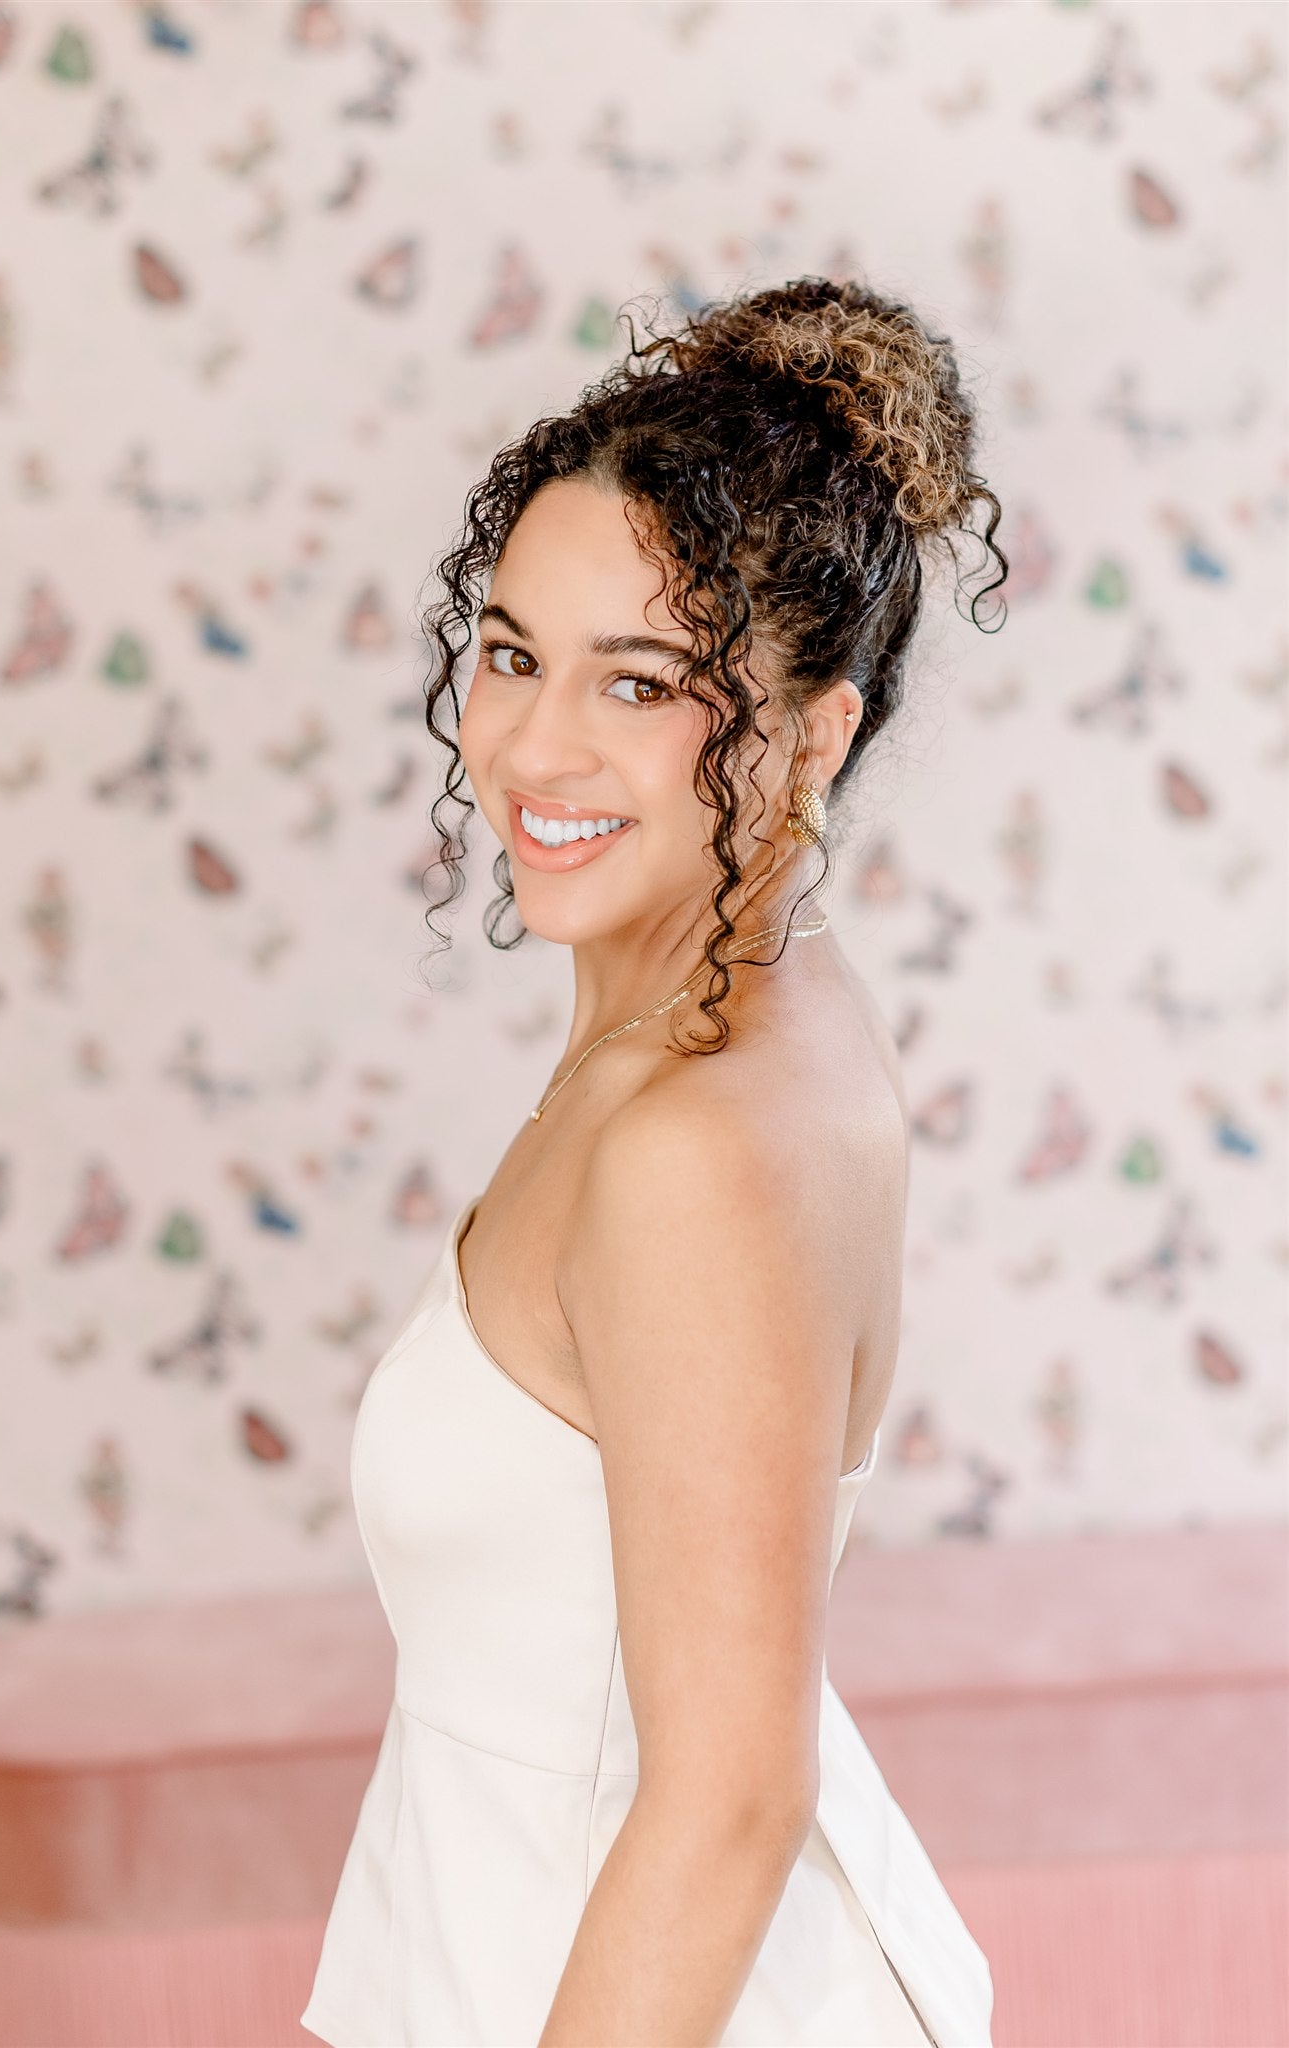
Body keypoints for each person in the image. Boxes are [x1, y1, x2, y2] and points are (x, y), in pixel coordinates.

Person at [301, 275, 1004, 2048]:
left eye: (642, 684)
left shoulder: (700, 1140)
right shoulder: (728, 1015)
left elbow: (727, 1801)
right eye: (517, 651)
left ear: (814, 732)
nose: (535, 746)